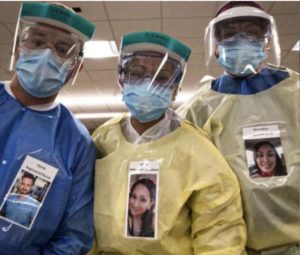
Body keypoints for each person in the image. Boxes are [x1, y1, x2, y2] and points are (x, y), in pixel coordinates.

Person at [90, 31, 246, 254]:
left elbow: (219, 230)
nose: (149, 83)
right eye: (137, 73)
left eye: (162, 78)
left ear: (176, 88)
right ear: (122, 80)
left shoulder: (198, 149)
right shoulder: (103, 141)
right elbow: (80, 217)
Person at [177, 1, 299, 254]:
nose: (240, 40)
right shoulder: (196, 110)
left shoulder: (295, 94)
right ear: (215, 46)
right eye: (229, 33)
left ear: (266, 42)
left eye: (252, 32)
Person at [0, 2, 96, 255]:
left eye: (63, 49)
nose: (46, 54)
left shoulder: (76, 142)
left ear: (76, 66)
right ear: (19, 48)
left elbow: (74, 235)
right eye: (37, 41)